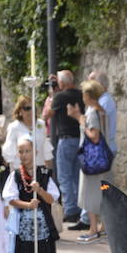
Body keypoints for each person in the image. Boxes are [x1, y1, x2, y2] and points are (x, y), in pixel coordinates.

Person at [2, 137, 60, 253]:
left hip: (43, 226)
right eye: (21, 151)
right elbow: (10, 198)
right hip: (25, 226)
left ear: (34, 153)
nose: (24, 155)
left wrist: (40, 190)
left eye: (27, 151)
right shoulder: (16, 175)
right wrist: (28, 205)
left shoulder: (43, 173)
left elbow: (53, 198)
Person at [69, 69, 119, 233]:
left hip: (93, 158)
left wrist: (79, 120)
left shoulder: (94, 110)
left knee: (90, 191)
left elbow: (94, 136)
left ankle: (93, 227)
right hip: (104, 157)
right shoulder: (101, 107)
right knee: (104, 189)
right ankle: (102, 226)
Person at [51, 69, 84, 223]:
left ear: (61, 82)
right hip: (81, 139)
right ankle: (80, 207)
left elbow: (48, 114)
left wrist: (53, 94)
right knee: (78, 177)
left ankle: (70, 209)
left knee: (64, 176)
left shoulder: (59, 97)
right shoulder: (81, 94)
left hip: (66, 139)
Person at [2, 95, 52, 171]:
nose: (31, 111)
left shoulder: (41, 124)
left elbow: (46, 149)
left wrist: (48, 170)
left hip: (39, 168)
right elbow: (9, 153)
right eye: (27, 108)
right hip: (20, 170)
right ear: (20, 111)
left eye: (33, 108)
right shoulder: (14, 127)